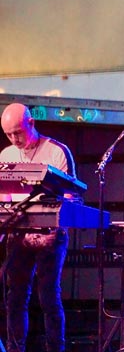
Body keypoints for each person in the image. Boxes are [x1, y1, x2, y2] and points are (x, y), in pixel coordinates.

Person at [0, 103, 77, 352]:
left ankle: (56, 348)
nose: (14, 139)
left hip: (50, 234)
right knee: (16, 296)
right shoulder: (6, 156)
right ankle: (15, 348)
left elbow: (71, 198)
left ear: (31, 124)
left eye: (18, 133)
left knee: (48, 296)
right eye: (9, 134)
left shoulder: (56, 152)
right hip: (18, 231)